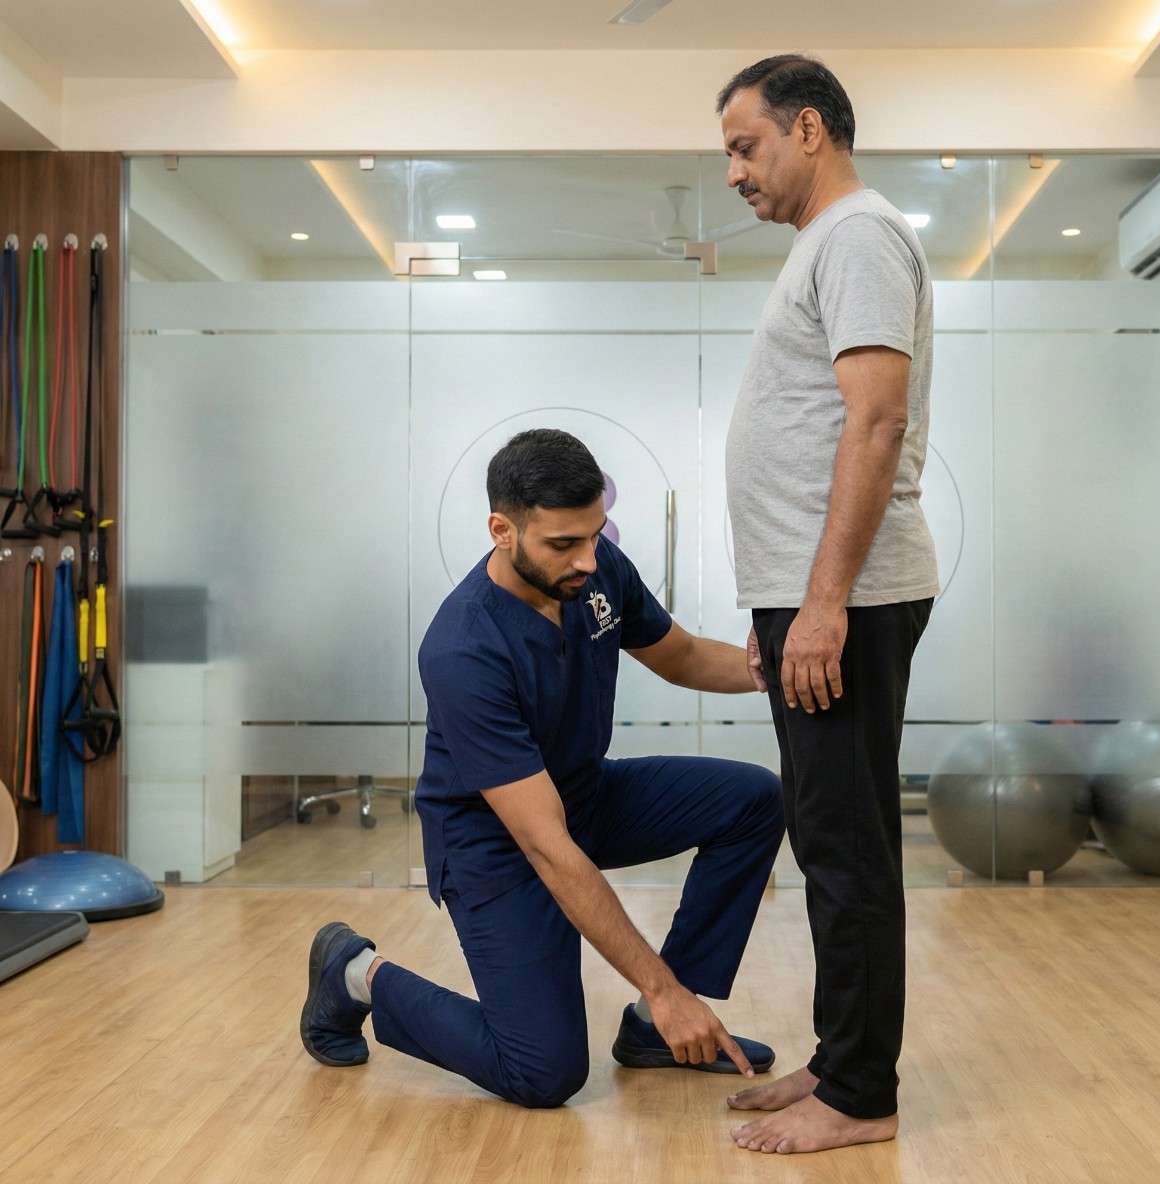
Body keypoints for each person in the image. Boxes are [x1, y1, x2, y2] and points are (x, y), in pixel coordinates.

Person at [299, 428, 785, 1109]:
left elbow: (680, 656)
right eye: (564, 543)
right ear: (502, 529)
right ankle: (354, 974)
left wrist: (772, 670)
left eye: (594, 534)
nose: (588, 558)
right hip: (495, 847)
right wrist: (661, 984)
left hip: (582, 796)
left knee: (753, 799)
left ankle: (652, 1032)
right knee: (543, 1073)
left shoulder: (595, 568)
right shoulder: (464, 648)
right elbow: (546, 846)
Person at [717, 55, 939, 1155]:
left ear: (808, 129)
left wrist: (818, 606)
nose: (731, 171)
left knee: (846, 847)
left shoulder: (855, 234)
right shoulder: (827, 244)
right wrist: (783, 605)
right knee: (829, 838)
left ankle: (861, 1094)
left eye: (744, 145)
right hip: (813, 598)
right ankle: (840, 1056)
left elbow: (875, 421)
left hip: (843, 599)